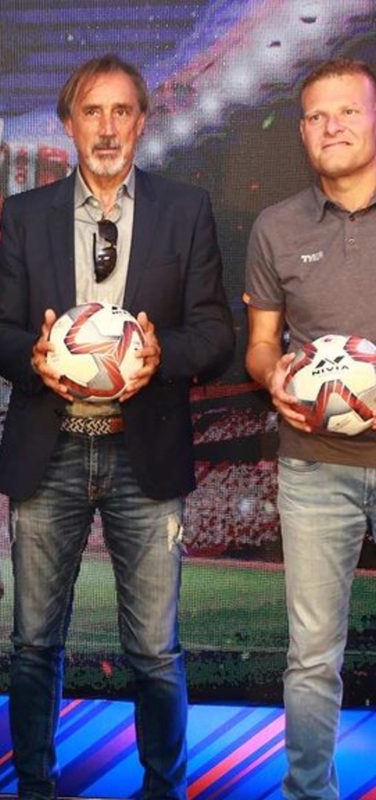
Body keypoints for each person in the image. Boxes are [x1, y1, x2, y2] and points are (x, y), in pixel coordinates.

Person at [0, 55, 234, 800]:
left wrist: (158, 358)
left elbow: (215, 333)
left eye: (123, 111)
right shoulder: (26, 214)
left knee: (154, 650)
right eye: (92, 111)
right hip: (50, 448)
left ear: (142, 122)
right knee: (34, 645)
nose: (108, 127)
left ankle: (163, 789)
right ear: (69, 124)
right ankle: (35, 786)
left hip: (143, 452)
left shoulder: (185, 209)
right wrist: (33, 358)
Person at [244, 58, 376, 800]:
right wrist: (274, 377)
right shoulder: (277, 226)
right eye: (317, 116)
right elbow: (261, 344)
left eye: (348, 111)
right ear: (301, 132)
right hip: (314, 466)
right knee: (313, 658)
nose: (332, 127)